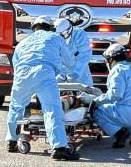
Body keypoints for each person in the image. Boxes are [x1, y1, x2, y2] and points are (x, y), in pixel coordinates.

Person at [5, 16, 79, 160]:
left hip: (22, 76)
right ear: (50, 27)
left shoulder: (22, 43)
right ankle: (59, 148)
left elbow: (15, 64)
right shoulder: (56, 38)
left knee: (15, 107)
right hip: (44, 73)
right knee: (52, 109)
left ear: (33, 28)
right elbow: (70, 62)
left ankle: (11, 141)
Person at [90, 43, 131, 148]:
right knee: (130, 106)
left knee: (98, 111)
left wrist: (96, 101)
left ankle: (119, 134)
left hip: (129, 114)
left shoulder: (117, 70)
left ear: (111, 59)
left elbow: (115, 95)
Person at [60, 13, 94, 89]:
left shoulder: (79, 34)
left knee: (84, 93)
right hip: (60, 73)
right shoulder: (54, 37)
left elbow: (84, 56)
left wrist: (76, 73)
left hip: (81, 75)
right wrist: (60, 74)